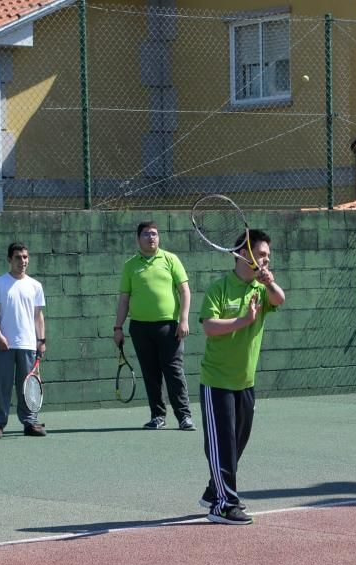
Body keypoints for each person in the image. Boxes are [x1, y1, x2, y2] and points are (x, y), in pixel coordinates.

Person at [198, 230, 285, 525]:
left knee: (237, 443)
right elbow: (209, 327)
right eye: (261, 254)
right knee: (222, 444)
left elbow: (280, 299)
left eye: (268, 256)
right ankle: (223, 504)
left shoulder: (260, 290)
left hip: (245, 383)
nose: (266, 259)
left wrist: (269, 282)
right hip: (217, 382)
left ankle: (215, 490)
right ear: (243, 254)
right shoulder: (219, 288)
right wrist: (243, 321)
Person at [113, 221, 195, 431]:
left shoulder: (170, 259)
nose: (152, 238)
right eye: (147, 234)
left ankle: (184, 417)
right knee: (151, 374)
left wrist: (184, 319)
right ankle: (158, 416)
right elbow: (124, 299)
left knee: (174, 371)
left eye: (155, 234)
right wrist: (118, 327)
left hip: (169, 327)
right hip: (140, 328)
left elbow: (184, 291)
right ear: (138, 238)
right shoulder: (130, 265)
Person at [0, 242, 47, 439]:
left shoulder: (35, 286)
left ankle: (30, 422)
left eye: (25, 257)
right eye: (18, 257)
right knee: (2, 386)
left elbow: (39, 316)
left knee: (27, 387)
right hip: (4, 344)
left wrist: (41, 340)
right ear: (9, 260)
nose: (23, 261)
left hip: (28, 345)